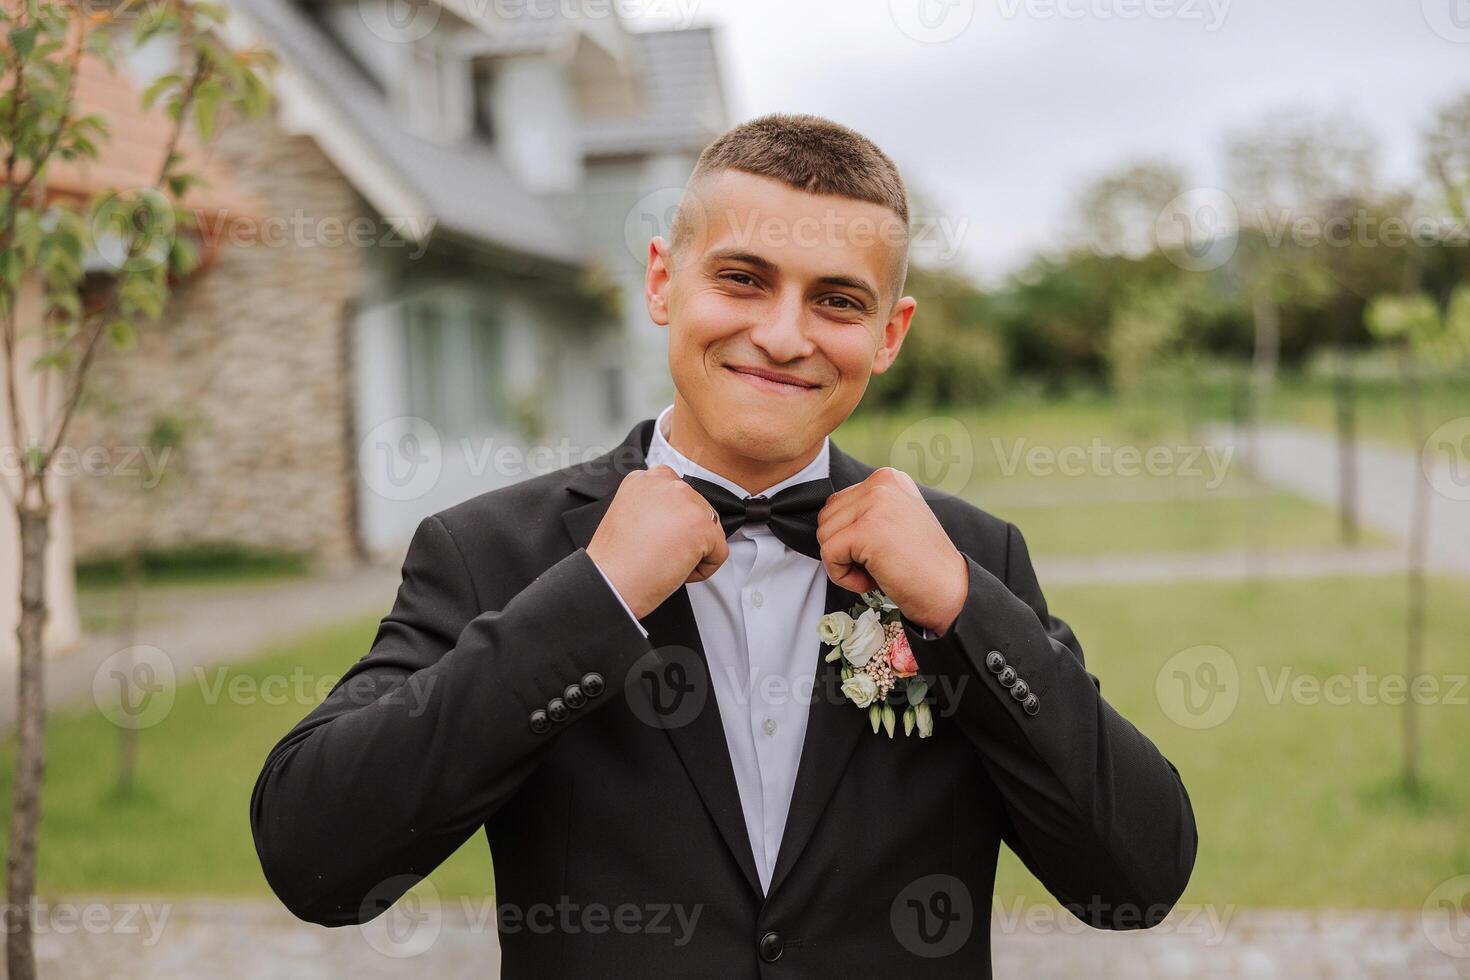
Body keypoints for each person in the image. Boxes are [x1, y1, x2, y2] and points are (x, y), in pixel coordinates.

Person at [250, 112, 1197, 978]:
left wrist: (960, 608)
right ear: (664, 281)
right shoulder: (489, 551)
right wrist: (596, 595)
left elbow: (1140, 873)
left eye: (837, 301)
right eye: (743, 279)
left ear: (889, 333)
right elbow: (316, 858)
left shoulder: (971, 560)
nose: (783, 336)